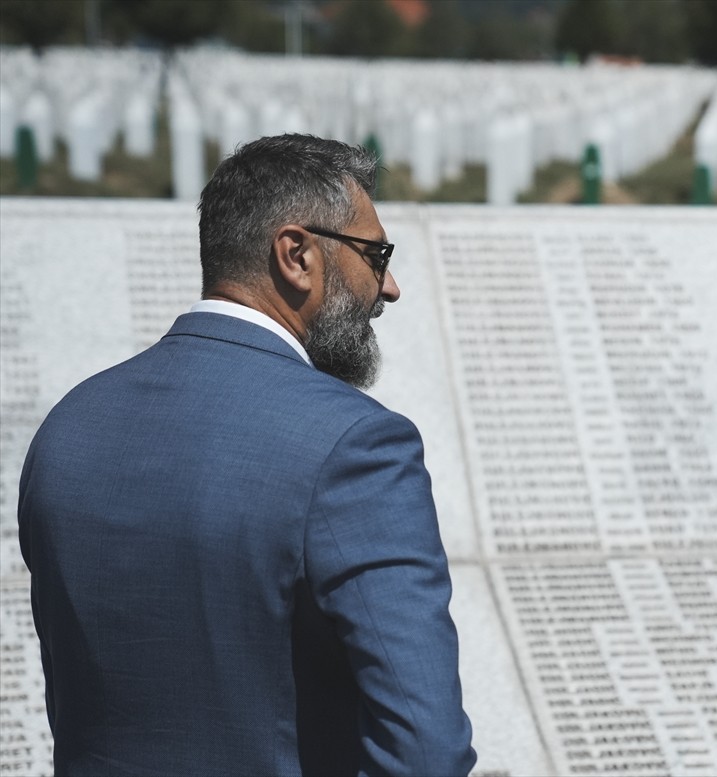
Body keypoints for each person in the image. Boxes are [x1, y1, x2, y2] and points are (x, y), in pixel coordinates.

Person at [18, 134, 476, 776]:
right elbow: (426, 752)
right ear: (296, 255)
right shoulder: (357, 447)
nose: (390, 286)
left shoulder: (67, 429)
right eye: (376, 255)